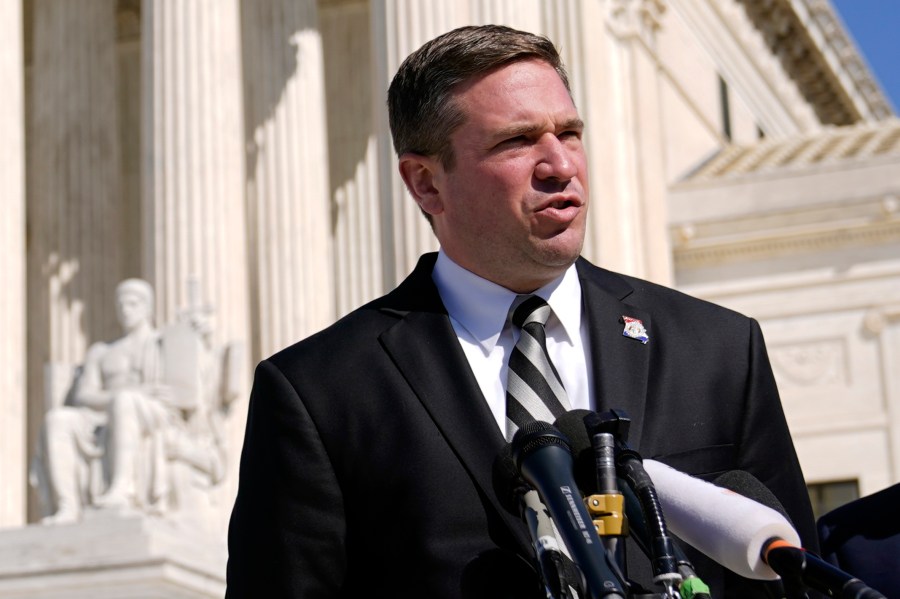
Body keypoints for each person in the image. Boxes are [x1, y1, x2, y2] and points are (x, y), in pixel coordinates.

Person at [226, 25, 817, 598]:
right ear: (426, 183)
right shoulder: (320, 390)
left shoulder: (715, 349)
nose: (561, 165)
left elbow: (796, 583)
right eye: (517, 141)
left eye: (570, 133)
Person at [32, 278, 227, 523]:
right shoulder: (101, 352)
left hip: (155, 414)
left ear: (148, 307)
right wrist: (126, 395)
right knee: (57, 419)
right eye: (121, 304)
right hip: (102, 415)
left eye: (133, 303)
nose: (126, 309)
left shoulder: (163, 344)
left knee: (125, 401)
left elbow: (199, 383)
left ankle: (122, 490)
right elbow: (84, 395)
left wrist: (201, 342)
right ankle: (67, 506)